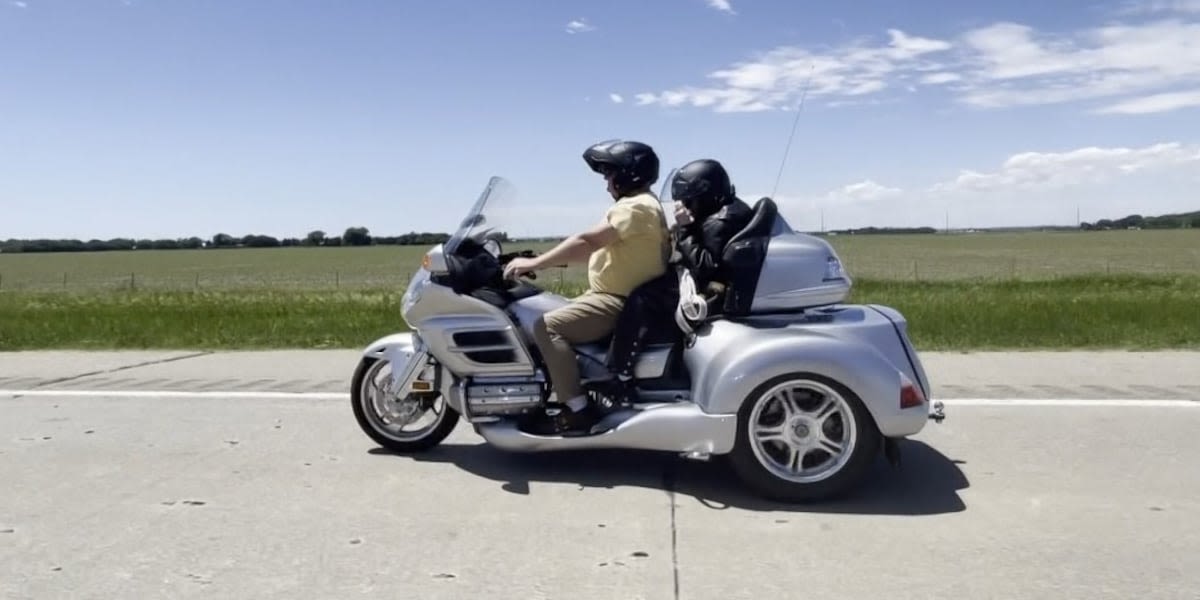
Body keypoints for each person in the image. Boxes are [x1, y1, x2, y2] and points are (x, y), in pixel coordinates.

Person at [503, 139, 670, 433]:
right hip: (617, 296)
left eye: (609, 175)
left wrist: (535, 264)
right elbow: (597, 248)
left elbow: (587, 242)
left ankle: (577, 409)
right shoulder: (643, 206)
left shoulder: (636, 208)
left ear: (628, 175)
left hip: (617, 300)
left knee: (546, 326)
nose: (606, 183)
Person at [669, 158, 754, 312]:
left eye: (688, 201)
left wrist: (685, 230)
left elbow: (706, 267)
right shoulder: (728, 210)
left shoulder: (720, 221)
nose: (685, 206)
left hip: (713, 292)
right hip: (719, 285)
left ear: (704, 197)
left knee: (644, 297)